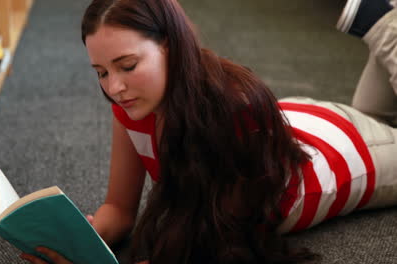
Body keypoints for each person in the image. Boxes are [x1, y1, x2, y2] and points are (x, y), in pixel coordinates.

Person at [20, 0, 397, 263]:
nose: (114, 87)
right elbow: (118, 210)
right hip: (289, 124)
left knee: (384, 125)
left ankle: (382, 23)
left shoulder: (236, 109)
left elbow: (224, 243)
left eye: (128, 65)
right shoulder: (133, 105)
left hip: (343, 153)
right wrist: (81, 240)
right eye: (101, 72)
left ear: (170, 47)